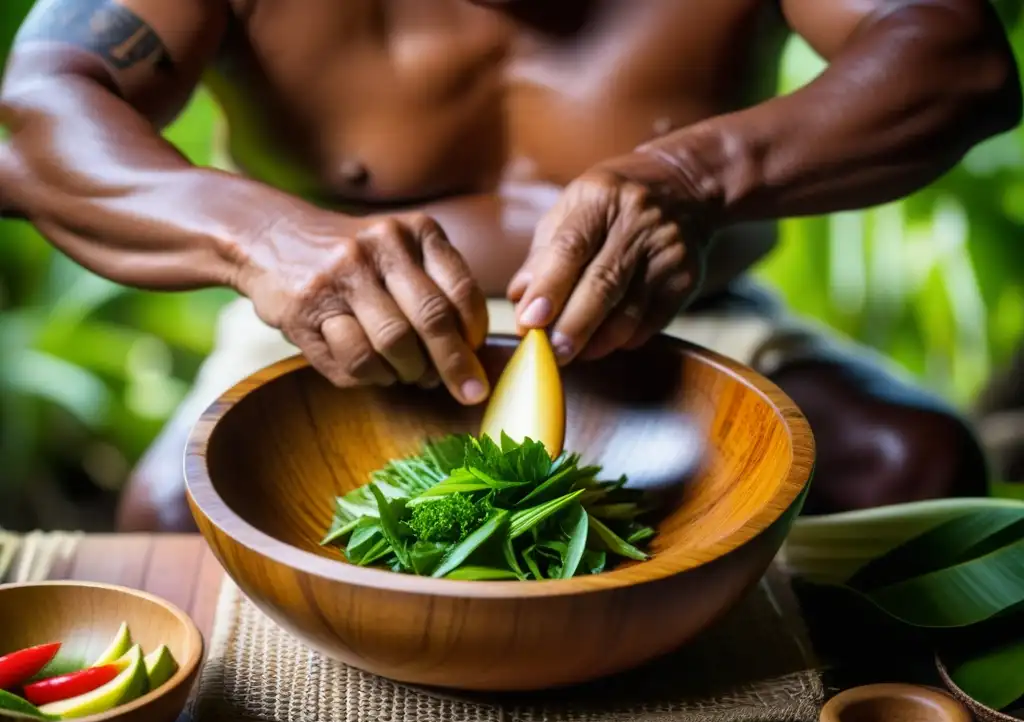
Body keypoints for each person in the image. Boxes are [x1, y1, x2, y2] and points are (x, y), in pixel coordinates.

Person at [1, 0, 1018, 532]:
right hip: (332, 335)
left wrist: (695, 175)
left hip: (685, 319)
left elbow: (954, 53)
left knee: (910, 465)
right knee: (178, 517)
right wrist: (265, 239)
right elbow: (38, 106)